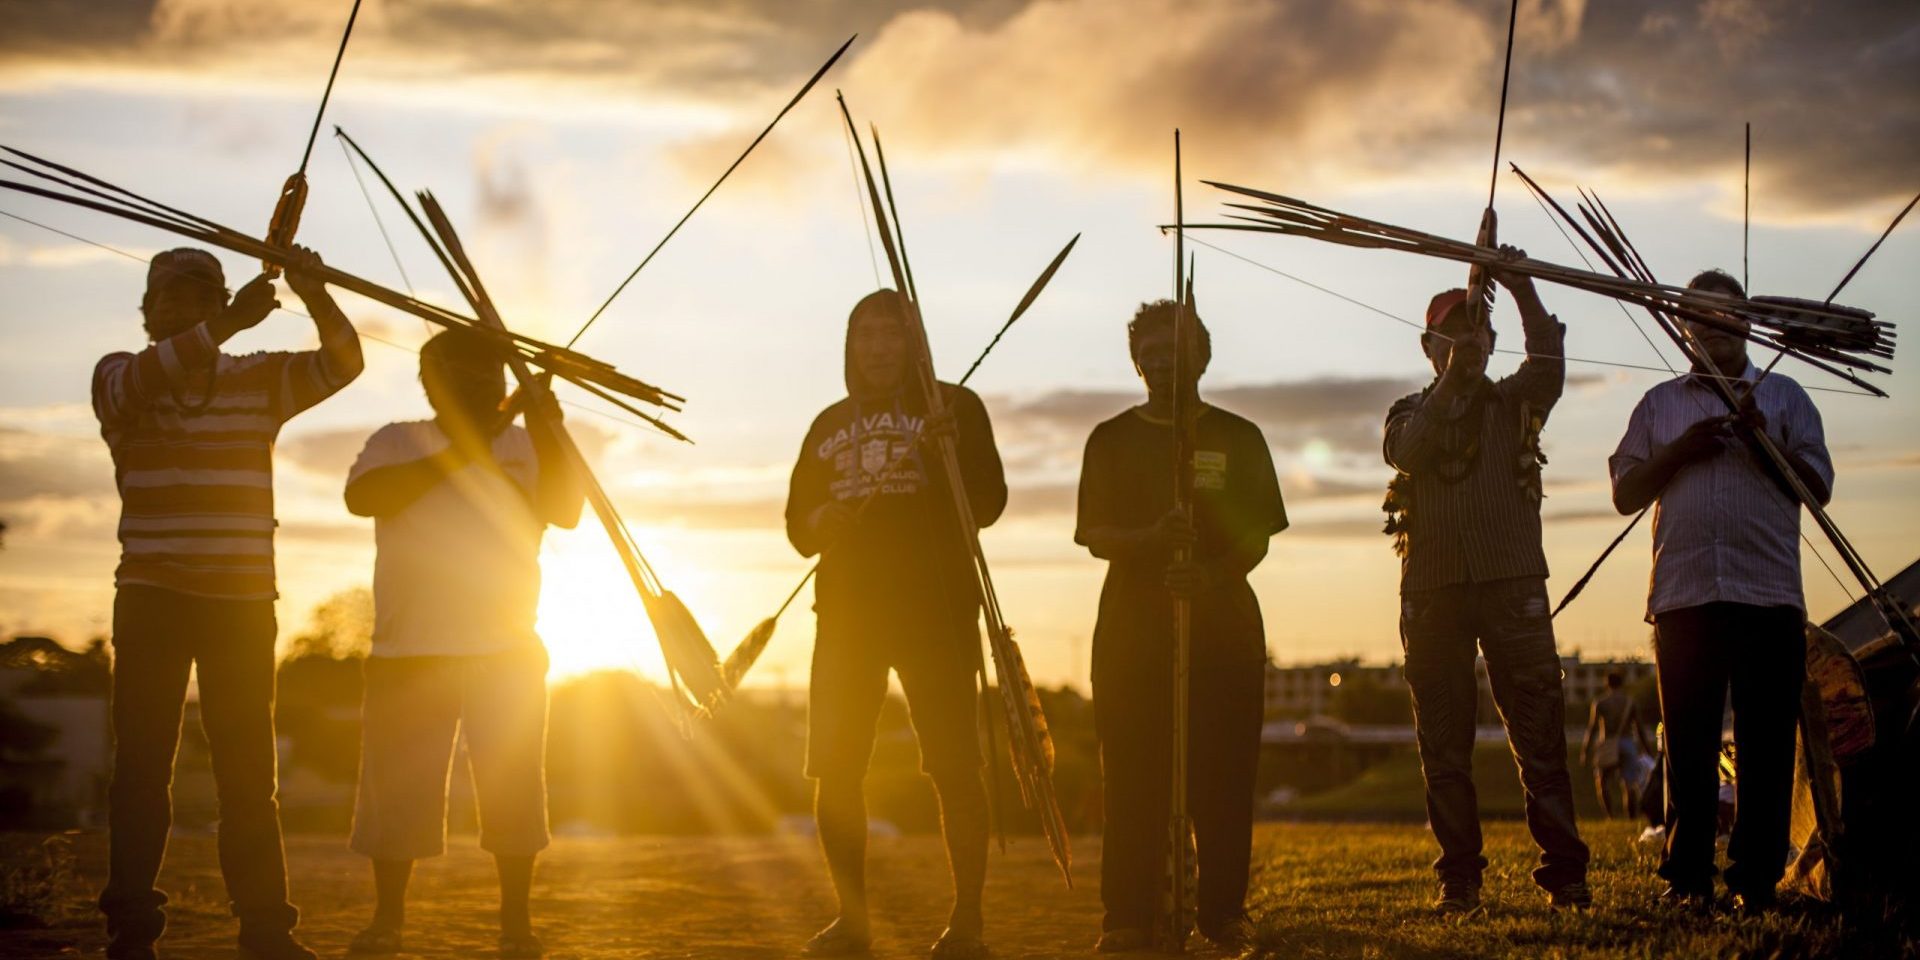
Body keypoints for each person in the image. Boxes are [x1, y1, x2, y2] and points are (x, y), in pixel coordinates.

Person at [94, 246, 362, 960]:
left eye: (198, 298)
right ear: (148, 314)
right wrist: (228, 326)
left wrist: (315, 291)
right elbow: (130, 390)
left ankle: (267, 930)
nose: (180, 309)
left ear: (216, 304)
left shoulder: (260, 378)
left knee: (249, 775)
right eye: (168, 300)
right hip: (151, 595)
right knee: (143, 767)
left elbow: (344, 363)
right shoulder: (120, 375)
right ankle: (130, 930)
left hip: (241, 601)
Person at [342, 329, 583, 958]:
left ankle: (515, 926)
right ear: (429, 385)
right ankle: (388, 921)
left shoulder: (530, 445)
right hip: (408, 652)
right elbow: (362, 496)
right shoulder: (396, 441)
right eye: (457, 379)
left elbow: (565, 509)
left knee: (513, 793)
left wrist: (550, 424)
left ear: (505, 383)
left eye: (490, 377)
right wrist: (463, 451)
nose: (480, 389)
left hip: (506, 648)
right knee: (397, 795)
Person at [784, 289, 1005, 960]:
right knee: (836, 767)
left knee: (955, 765)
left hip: (936, 607)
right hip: (848, 612)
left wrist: (947, 455)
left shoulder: (954, 407)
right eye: (866, 335)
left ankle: (966, 921)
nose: (879, 347)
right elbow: (798, 525)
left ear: (914, 343)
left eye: (892, 334)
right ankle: (851, 922)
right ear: (850, 346)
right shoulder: (828, 422)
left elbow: (989, 503)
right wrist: (823, 521)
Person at [1609, 268, 1833, 915]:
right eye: (1700, 319)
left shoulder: (1785, 398)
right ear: (1684, 329)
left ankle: (1756, 879)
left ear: (1746, 322)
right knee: (1689, 746)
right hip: (1684, 594)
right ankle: (1687, 875)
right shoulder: (1661, 405)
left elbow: (1815, 488)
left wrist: (1762, 440)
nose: (1715, 329)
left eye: (1726, 318)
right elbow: (1626, 492)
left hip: (1768, 594)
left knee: (1766, 745)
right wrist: (1681, 449)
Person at [1074, 299, 1287, 952]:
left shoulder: (1238, 435)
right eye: (1151, 353)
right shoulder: (1110, 438)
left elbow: (1259, 532)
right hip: (1131, 639)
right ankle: (1126, 917)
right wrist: (1148, 538)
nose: (1164, 363)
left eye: (1177, 350)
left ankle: (1223, 913)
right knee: (1132, 780)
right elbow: (1093, 532)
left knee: (1223, 781)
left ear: (1202, 354)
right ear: (1137, 362)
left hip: (1223, 634)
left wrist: (1213, 575)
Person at [1382, 252, 1591, 913]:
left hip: (1512, 584)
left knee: (1539, 734)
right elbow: (1406, 451)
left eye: (1478, 329)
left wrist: (1521, 284)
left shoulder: (1516, 399)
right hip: (1434, 591)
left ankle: (1565, 874)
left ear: (1494, 339)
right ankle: (1460, 879)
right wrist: (1453, 378)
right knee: (1443, 742)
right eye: (1454, 331)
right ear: (1428, 346)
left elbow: (1551, 362)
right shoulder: (1407, 409)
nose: (1470, 341)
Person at [1580, 672, 1653, 818]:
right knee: (1629, 783)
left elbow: (1592, 728)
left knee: (1602, 781)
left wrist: (1585, 751)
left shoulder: (1600, 702)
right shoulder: (1630, 702)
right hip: (1627, 743)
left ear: (1607, 683)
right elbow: (1639, 728)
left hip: (1607, 743)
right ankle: (1631, 817)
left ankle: (1610, 816)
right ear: (1622, 683)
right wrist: (1648, 751)